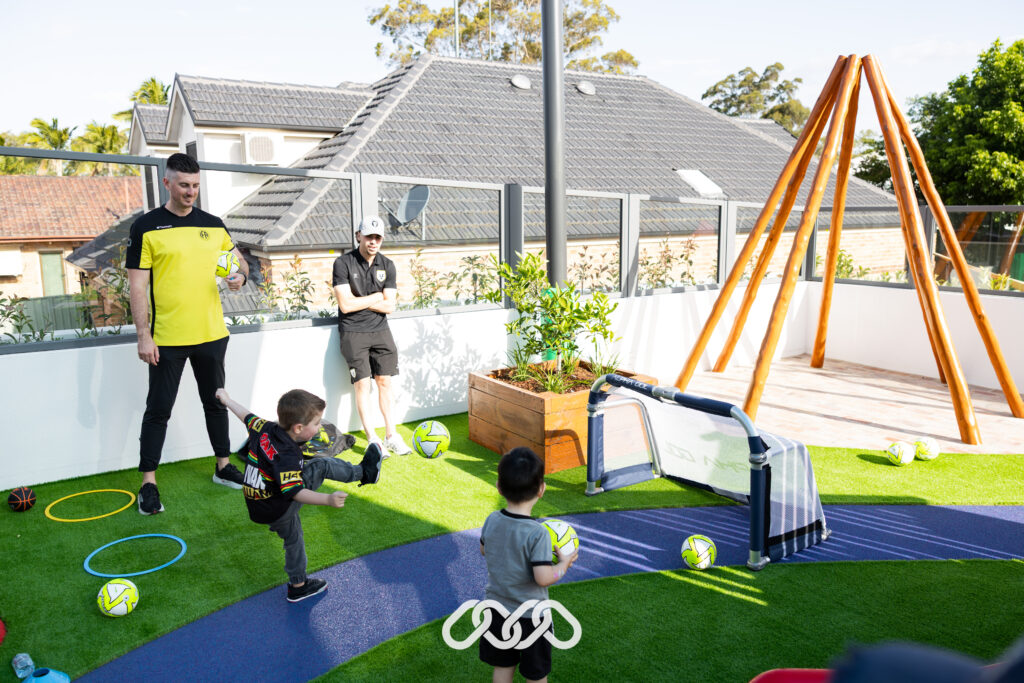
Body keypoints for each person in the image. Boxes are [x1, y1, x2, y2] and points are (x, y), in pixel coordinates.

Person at [126, 152, 249, 515]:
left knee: (216, 402)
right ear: (167, 183)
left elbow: (239, 262)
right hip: (167, 339)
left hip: (212, 333)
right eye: (184, 185)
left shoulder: (213, 224)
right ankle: (148, 484)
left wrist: (239, 277)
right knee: (159, 409)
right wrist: (143, 335)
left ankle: (223, 467)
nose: (191, 192)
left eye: (195, 185)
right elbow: (136, 288)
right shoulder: (146, 226)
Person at [215, 387, 383, 603]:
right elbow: (295, 492)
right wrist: (328, 499)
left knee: (293, 539)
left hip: (258, 504)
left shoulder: (264, 427)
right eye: (316, 423)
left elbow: (245, 415)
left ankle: (299, 586)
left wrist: (227, 399)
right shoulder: (286, 456)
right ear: (298, 428)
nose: (320, 426)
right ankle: (365, 473)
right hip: (277, 507)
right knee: (320, 465)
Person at [479, 447, 579, 683]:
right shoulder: (538, 534)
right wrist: (563, 563)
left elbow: (484, 549)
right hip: (531, 617)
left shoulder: (492, 519)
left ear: (499, 487)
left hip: (496, 610)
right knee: (536, 675)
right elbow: (543, 578)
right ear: (542, 489)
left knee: (503, 666)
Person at [331, 214, 413, 455]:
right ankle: (372, 438)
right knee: (362, 385)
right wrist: (377, 297)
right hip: (353, 333)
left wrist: (363, 301)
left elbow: (390, 306)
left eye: (378, 237)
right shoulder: (343, 263)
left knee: (385, 382)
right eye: (369, 236)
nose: (373, 241)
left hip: (381, 331)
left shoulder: (387, 265)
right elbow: (345, 305)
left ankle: (391, 435)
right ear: (359, 236)